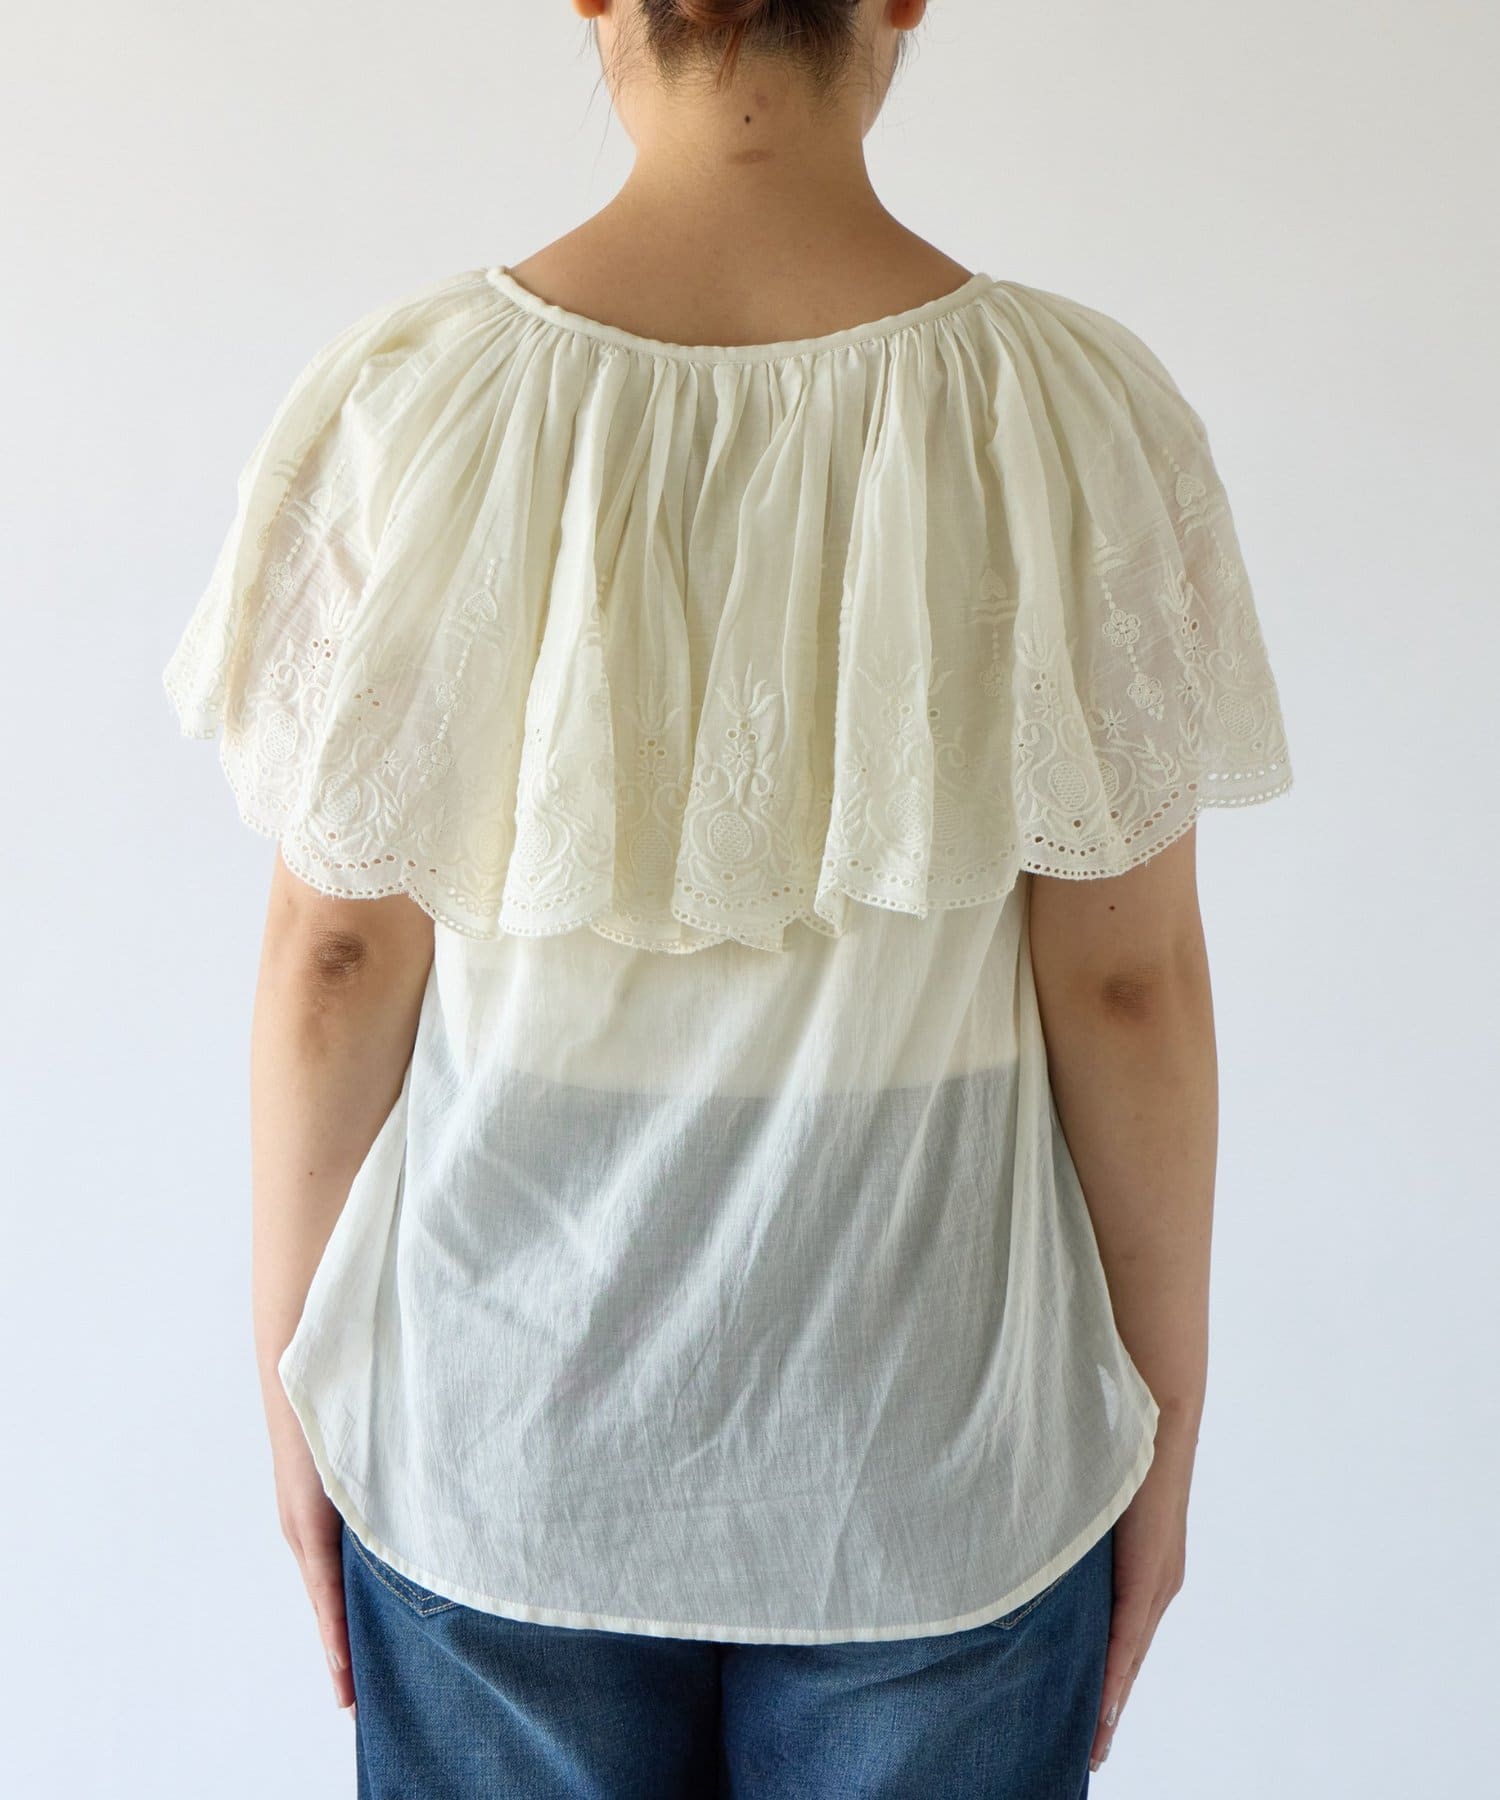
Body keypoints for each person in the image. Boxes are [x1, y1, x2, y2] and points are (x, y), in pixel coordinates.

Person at [161, 1, 1294, 1793]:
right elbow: (1126, 985)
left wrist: (295, 1377)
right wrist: (1165, 1416)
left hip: (496, 1442)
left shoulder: (412, 406)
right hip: (933, 1459)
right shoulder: (1078, 419)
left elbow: (336, 958)